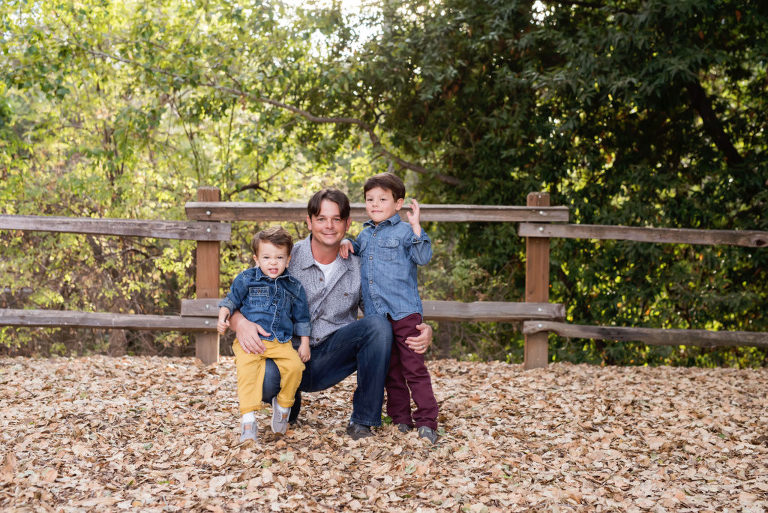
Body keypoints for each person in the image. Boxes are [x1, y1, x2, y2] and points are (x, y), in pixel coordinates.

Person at [228, 188, 433, 440]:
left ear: (347, 223)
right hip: (286, 353)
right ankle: (287, 402)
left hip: (332, 357)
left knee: (378, 326)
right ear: (309, 221)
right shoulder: (284, 257)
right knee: (265, 379)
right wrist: (241, 323)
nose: (329, 226)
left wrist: (420, 327)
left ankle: (363, 421)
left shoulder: (359, 265)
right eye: (321, 219)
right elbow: (238, 297)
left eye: (336, 219)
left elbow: (386, 308)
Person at [340, 172, 439, 443]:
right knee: (390, 370)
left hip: (404, 313)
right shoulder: (365, 234)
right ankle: (400, 419)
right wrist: (348, 242)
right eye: (370, 199)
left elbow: (422, 256)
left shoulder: (405, 231)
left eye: (382, 199)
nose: (375, 204)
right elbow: (358, 253)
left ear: (398, 204)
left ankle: (427, 420)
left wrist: (417, 226)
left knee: (413, 368)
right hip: (377, 315)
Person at [217, 226, 311, 443]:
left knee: (296, 368)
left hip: (281, 341)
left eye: (279, 257)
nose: (273, 263)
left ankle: (284, 404)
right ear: (256, 259)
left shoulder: (294, 287)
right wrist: (223, 318)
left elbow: (302, 317)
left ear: (288, 260)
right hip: (251, 342)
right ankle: (248, 420)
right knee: (247, 373)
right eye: (266, 257)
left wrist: (304, 343)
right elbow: (230, 301)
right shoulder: (246, 279)